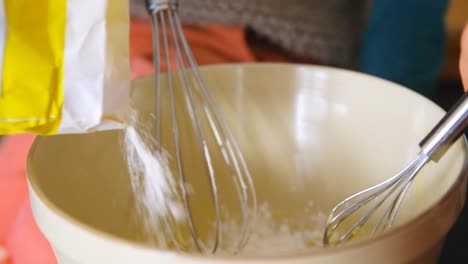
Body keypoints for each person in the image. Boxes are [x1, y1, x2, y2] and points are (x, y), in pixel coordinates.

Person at [0, 2, 463, 263]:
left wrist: (395, 111)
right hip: (103, 52)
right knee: (25, 224)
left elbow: (407, 13)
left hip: (275, 58)